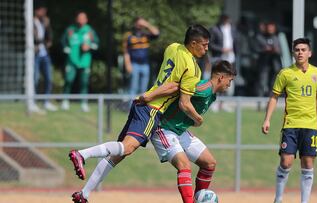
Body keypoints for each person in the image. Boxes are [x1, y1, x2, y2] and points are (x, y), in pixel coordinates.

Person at [69, 24, 210, 203]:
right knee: (127, 148)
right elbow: (180, 97)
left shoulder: (173, 47)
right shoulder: (193, 69)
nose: (206, 49)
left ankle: (84, 194)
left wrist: (148, 94)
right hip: (153, 109)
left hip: (141, 104)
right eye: (204, 44)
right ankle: (82, 154)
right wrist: (197, 118)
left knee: (118, 154)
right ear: (194, 43)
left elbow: (170, 81)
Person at [151, 60, 236, 203]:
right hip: (164, 129)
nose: (229, 84)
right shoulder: (204, 89)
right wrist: (198, 118)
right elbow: (181, 92)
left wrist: (194, 119)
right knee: (184, 165)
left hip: (179, 131)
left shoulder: (212, 93)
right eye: (230, 80)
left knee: (209, 163)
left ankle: (198, 199)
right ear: (221, 77)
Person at [261, 38, 317, 203]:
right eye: (297, 50)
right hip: (291, 124)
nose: (300, 52)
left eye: (303, 50)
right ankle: (279, 198)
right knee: (286, 160)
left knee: (308, 162)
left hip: (310, 125)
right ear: (293, 53)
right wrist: (267, 119)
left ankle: (305, 201)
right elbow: (274, 97)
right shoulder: (285, 73)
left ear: (309, 53)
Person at [60, 11, 99, 112]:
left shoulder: (89, 31)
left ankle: (84, 103)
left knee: (84, 82)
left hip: (85, 61)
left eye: (83, 18)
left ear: (86, 20)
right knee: (69, 80)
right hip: (72, 60)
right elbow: (63, 41)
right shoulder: (70, 30)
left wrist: (89, 46)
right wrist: (66, 48)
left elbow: (96, 43)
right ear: (76, 19)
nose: (81, 20)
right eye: (79, 18)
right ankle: (65, 101)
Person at [209, 14, 238, 112]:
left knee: (228, 81)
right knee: (217, 80)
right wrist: (222, 49)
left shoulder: (233, 29)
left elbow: (236, 43)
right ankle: (214, 103)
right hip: (219, 58)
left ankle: (223, 103)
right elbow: (210, 44)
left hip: (230, 58)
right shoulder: (215, 29)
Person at [123, 17, 160, 96]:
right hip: (134, 64)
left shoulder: (146, 35)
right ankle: (131, 107)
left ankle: (139, 107)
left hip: (145, 65)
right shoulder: (129, 36)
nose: (140, 25)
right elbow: (126, 51)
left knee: (143, 90)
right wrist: (127, 64)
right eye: (139, 23)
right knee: (133, 88)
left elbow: (156, 33)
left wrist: (146, 24)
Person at [32, 4, 57, 112]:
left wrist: (48, 43)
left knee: (49, 78)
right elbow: (34, 38)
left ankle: (46, 101)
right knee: (35, 78)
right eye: (42, 10)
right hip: (35, 53)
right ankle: (32, 102)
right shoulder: (31, 21)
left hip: (45, 53)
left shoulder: (46, 21)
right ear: (36, 11)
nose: (43, 12)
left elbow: (49, 35)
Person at [255, 21, 282, 96]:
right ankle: (259, 100)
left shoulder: (276, 38)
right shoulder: (260, 37)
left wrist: (275, 50)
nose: (270, 29)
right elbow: (256, 49)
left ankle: (271, 99)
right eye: (269, 28)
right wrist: (265, 50)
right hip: (264, 64)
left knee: (273, 83)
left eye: (272, 28)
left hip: (274, 65)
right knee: (262, 82)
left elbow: (280, 51)